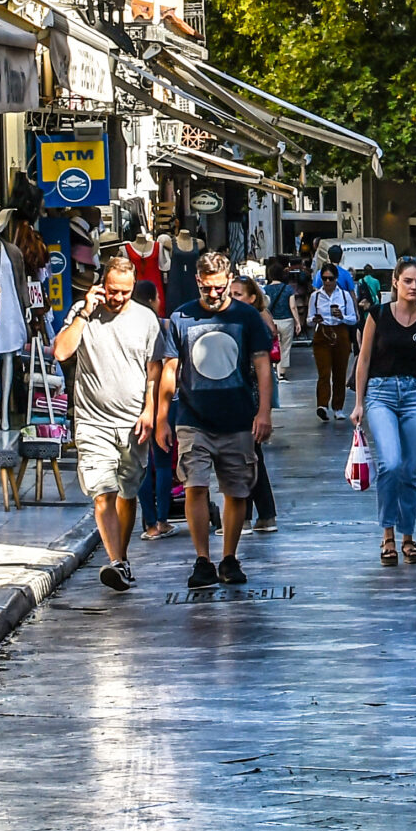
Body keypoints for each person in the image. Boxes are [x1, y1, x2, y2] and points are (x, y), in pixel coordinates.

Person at [153, 250, 274, 589]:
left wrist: (264, 412)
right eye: (207, 288)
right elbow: (170, 370)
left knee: (236, 490)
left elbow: (262, 363)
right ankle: (203, 559)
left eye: (220, 287)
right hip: (193, 418)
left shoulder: (246, 317)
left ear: (228, 281)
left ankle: (229, 557)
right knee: (195, 485)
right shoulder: (181, 317)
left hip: (237, 418)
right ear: (198, 282)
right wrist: (163, 418)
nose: (214, 294)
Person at [52, 255, 159, 592]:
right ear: (102, 284)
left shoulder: (145, 319)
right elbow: (61, 352)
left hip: (132, 423)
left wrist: (150, 410)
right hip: (91, 422)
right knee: (103, 493)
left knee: (127, 493)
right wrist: (84, 312)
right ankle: (115, 562)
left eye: (125, 292)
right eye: (113, 291)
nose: (118, 298)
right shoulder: (83, 313)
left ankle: (121, 558)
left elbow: (155, 370)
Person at [351, 256, 416, 564]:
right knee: (391, 464)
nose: (413, 286)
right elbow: (364, 359)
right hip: (380, 394)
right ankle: (387, 534)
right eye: (407, 281)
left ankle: (408, 537)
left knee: (410, 469)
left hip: (414, 396)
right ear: (395, 282)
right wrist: (358, 402)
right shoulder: (378, 314)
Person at [232, 274, 283, 531]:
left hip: (249, 397)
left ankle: (251, 515)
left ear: (252, 299)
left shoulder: (255, 323)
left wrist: (263, 410)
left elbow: (259, 366)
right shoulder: (240, 321)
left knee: (249, 455)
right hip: (244, 396)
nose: (232, 300)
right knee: (249, 456)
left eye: (238, 295)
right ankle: (257, 514)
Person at [307, 261, 359, 420]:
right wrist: (314, 319)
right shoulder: (315, 296)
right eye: (324, 278)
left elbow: (354, 318)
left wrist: (341, 317)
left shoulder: (344, 296)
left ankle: (338, 407)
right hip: (322, 332)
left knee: (339, 372)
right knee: (324, 372)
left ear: (336, 279)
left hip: (340, 332)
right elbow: (308, 320)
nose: (327, 282)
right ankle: (322, 404)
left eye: (330, 278)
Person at [267, 262, 298, 380]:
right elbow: (293, 306)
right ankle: (282, 374)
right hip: (286, 321)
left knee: (274, 346)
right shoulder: (288, 289)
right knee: (285, 348)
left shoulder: (266, 289)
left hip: (272, 321)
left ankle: (274, 370)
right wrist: (298, 322)